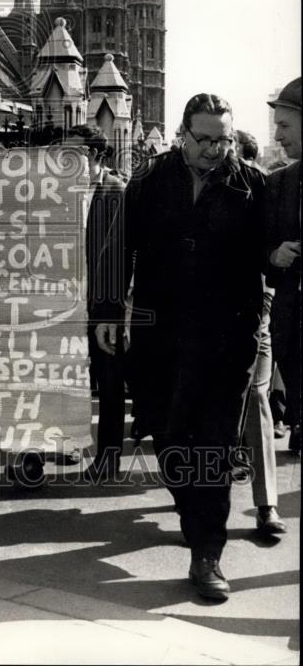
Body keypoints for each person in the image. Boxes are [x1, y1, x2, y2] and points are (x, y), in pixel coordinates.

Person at [93, 94, 265, 601]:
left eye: (224, 140)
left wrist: (274, 261)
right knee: (166, 434)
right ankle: (195, 516)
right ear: (182, 135)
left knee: (214, 443)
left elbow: (268, 252)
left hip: (226, 338)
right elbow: (117, 246)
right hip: (160, 337)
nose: (215, 150)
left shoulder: (249, 185)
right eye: (205, 139)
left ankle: (206, 551)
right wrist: (106, 312)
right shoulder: (148, 180)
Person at [67, 124, 128, 481]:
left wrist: (116, 310)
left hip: (104, 307)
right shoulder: (55, 193)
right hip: (64, 305)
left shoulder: (117, 193)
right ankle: (59, 447)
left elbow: (126, 255)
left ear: (95, 156)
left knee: (109, 383)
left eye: (72, 154)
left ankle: (108, 457)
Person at [234, 130, 286, 536]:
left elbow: (270, 253)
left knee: (256, 398)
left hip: (254, 317)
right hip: (211, 323)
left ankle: (267, 504)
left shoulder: (261, 187)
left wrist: (266, 302)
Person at [265, 77, 301, 454]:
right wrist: (274, 255)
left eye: (285, 125)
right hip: (291, 328)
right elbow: (258, 251)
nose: (277, 136)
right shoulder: (277, 185)